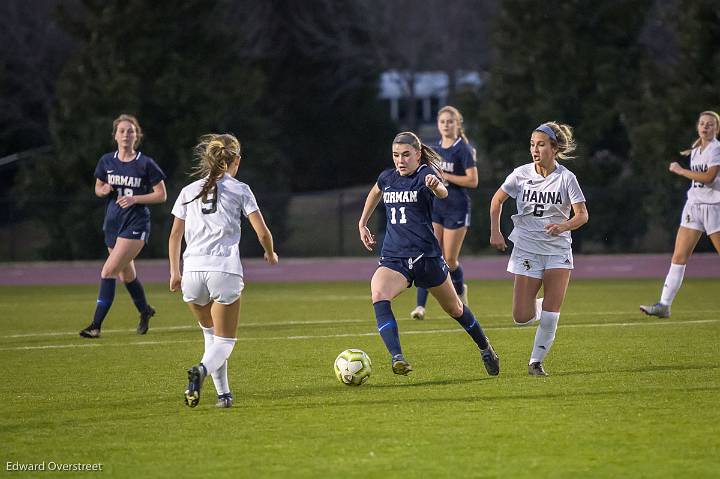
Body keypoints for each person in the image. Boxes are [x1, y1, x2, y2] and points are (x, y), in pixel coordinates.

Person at [358, 131, 499, 376]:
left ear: (418, 154)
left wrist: (437, 187)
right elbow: (375, 192)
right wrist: (362, 223)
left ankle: (485, 347)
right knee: (379, 293)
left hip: (427, 258)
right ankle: (397, 357)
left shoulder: (425, 174)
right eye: (395, 155)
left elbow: (441, 191)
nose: (400, 160)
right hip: (395, 258)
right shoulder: (387, 177)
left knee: (455, 308)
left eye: (405, 155)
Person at [169, 133, 278, 409]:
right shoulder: (240, 189)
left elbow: (174, 236)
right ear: (236, 160)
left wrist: (174, 272)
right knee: (225, 341)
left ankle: (223, 395)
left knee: (211, 336)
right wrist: (270, 252)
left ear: (208, 158)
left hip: (192, 272)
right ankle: (201, 372)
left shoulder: (188, 191)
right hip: (223, 270)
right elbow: (262, 231)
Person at [489, 122, 588, 376]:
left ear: (554, 148)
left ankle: (535, 362)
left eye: (541, 144)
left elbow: (582, 216)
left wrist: (563, 225)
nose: (535, 149)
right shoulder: (520, 174)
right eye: (532, 144)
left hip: (557, 251)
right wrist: (495, 231)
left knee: (551, 315)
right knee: (521, 316)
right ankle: (544, 303)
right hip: (527, 250)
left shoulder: (567, 178)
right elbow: (497, 200)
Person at [80, 114, 167, 338]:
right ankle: (145, 310)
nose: (126, 134)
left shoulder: (145, 163)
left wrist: (136, 199)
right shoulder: (106, 161)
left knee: (108, 271)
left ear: (137, 135)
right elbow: (98, 187)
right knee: (126, 275)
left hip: (136, 224)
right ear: (115, 136)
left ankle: (95, 326)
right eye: (122, 131)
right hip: (113, 223)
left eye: (131, 131)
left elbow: (161, 195)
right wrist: (104, 190)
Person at [640, 110, 720, 318]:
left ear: (716, 129)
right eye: (702, 123)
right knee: (679, 256)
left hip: (714, 207)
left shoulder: (716, 149)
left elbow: (710, 178)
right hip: (693, 205)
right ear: (698, 127)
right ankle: (664, 305)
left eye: (710, 124)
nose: (705, 127)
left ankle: (664, 305)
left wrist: (680, 170)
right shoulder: (696, 150)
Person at [411, 106, 478, 321]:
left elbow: (472, 181)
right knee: (429, 254)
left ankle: (460, 293)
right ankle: (420, 306)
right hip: (436, 208)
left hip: (456, 208)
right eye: (442, 122)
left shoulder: (463, 149)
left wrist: (446, 176)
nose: (446, 125)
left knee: (449, 260)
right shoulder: (434, 149)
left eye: (450, 121)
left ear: (457, 124)